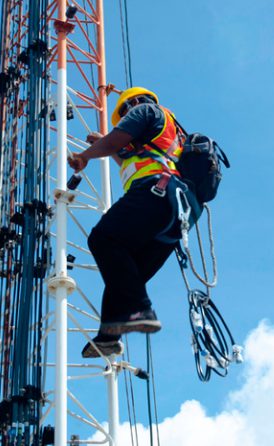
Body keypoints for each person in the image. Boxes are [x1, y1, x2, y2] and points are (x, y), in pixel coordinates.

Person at [68, 87, 191, 358]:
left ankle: (140, 309)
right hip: (176, 216)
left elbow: (116, 143)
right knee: (123, 276)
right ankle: (108, 338)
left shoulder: (143, 110)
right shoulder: (170, 131)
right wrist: (104, 141)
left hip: (155, 193)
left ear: (132, 104)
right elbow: (125, 152)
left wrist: (85, 156)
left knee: (103, 239)